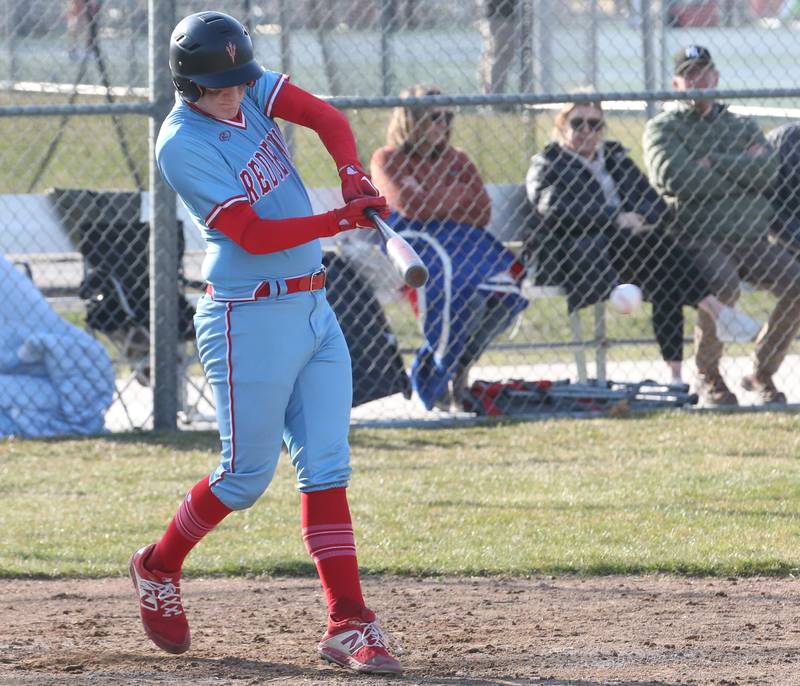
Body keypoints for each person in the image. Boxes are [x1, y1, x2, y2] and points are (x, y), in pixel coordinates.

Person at [128, 11, 401, 675]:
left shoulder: (246, 87)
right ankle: (158, 567)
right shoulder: (180, 143)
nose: (233, 94)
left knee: (328, 467)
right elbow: (251, 233)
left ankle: (348, 622)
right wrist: (341, 218)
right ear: (186, 83)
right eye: (217, 85)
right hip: (246, 322)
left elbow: (328, 118)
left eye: (237, 81)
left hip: (313, 308)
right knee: (245, 478)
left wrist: (352, 175)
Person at [525, 98, 762, 387]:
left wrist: (639, 218)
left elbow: (655, 203)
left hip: (632, 251)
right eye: (578, 123)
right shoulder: (548, 162)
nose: (586, 130)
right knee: (660, 254)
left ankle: (675, 377)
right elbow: (554, 210)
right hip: (582, 255)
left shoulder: (615, 158)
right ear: (562, 126)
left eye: (595, 124)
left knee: (665, 276)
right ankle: (718, 311)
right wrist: (614, 218)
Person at [643, 45, 800, 405]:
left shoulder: (740, 124)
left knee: (797, 282)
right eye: (690, 74)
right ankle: (708, 375)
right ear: (676, 83)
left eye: (705, 72)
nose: (699, 80)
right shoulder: (663, 127)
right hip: (699, 238)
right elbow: (675, 178)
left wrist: (712, 161)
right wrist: (740, 168)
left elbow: (767, 172)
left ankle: (761, 372)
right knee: (723, 285)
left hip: (752, 239)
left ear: (716, 77)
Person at [370, 84, 528, 411]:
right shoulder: (388, 158)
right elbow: (409, 207)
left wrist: (432, 196)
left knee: (503, 295)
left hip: (465, 240)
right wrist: (456, 195)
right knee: (460, 294)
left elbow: (482, 210)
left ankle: (456, 369)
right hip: (417, 243)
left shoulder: (458, 159)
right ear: (411, 120)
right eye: (434, 117)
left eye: (447, 116)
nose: (443, 124)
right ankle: (441, 376)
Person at [478, 0, 518, 95]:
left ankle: (490, 97)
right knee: (500, 56)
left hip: (501, 15)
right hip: (501, 16)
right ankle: (495, 98)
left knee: (494, 56)